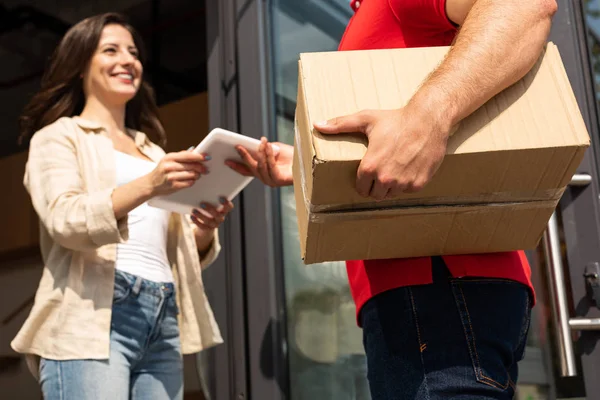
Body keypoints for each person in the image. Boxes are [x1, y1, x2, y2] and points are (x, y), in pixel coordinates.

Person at [227, 0, 558, 399]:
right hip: (436, 284)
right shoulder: (372, 14)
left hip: (436, 279)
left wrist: (428, 117)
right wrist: (303, 165)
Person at [12, 13, 230, 400]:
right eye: (110, 50)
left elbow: (177, 250)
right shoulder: (58, 138)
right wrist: (149, 184)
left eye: (133, 52)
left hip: (163, 314)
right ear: (81, 65)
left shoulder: (153, 151)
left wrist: (205, 226)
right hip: (91, 316)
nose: (128, 60)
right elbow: (66, 219)